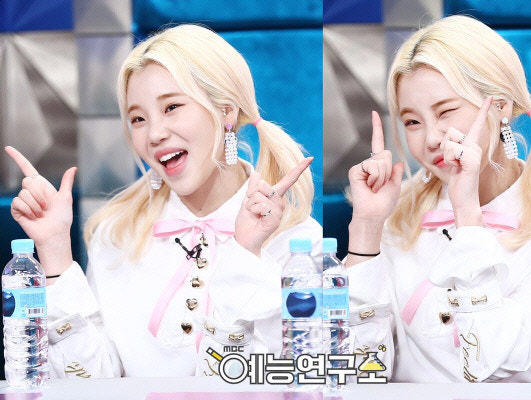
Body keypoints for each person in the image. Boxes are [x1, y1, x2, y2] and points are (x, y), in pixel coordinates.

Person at [5, 24, 321, 378]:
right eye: (138, 119)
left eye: (171, 107)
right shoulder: (116, 234)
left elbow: (283, 380)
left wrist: (245, 253)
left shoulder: (297, 243)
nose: (154, 134)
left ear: (226, 111)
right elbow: (90, 381)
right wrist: (54, 251)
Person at [345, 15, 531, 383]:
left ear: (501, 106)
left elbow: (490, 367)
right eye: (412, 122)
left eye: (446, 111)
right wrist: (367, 230)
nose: (431, 138)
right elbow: (361, 372)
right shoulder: (398, 217)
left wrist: (467, 216)